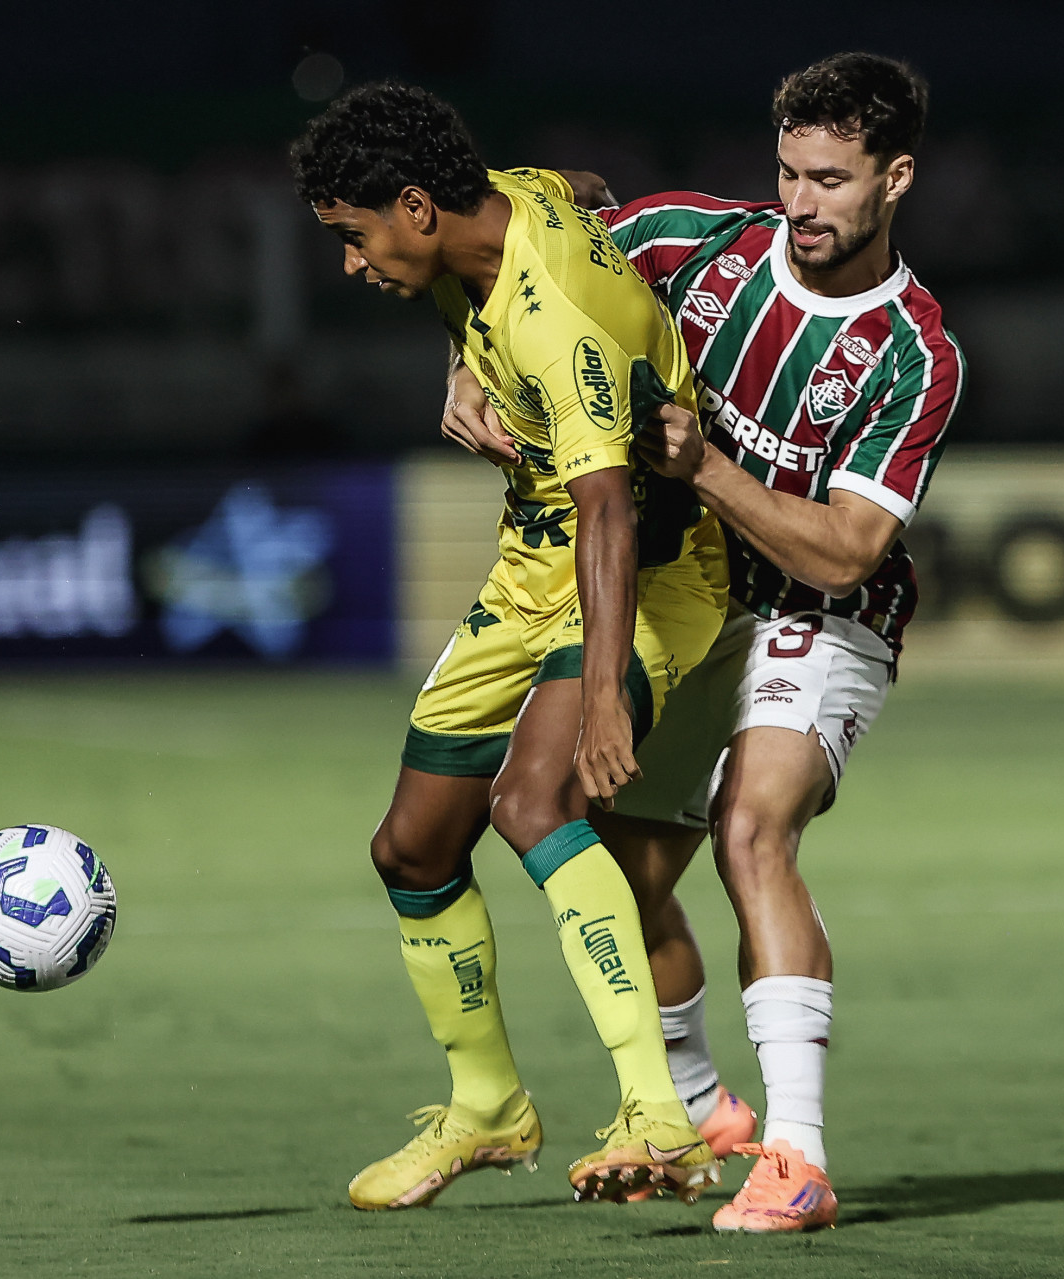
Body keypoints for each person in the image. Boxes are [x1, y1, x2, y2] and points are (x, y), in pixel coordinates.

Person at [439, 53, 966, 1232]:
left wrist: (708, 467)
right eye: (789, 172)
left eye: (831, 179)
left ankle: (798, 1158)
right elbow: (538, 223)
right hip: (692, 600)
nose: (802, 202)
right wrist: (466, 355)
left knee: (751, 828)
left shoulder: (914, 353)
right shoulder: (690, 243)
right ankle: (694, 1113)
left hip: (818, 614)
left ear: (896, 179)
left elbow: (848, 551)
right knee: (620, 876)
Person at [290, 81, 735, 1210]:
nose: (351, 262)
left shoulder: (556, 319)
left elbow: (609, 513)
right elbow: (584, 186)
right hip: (532, 566)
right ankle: (488, 1108)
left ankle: (658, 1112)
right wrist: (461, 361)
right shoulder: (497, 204)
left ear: (414, 208)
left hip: (645, 574)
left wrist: (605, 695)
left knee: (535, 802)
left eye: (354, 236)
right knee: (410, 847)